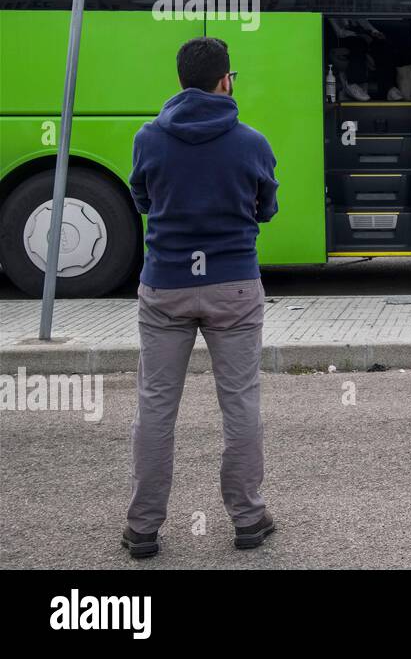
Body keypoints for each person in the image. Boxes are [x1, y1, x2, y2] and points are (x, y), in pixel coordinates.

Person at [122, 37, 279, 558]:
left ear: (180, 81)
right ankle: (248, 520)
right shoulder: (251, 142)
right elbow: (266, 208)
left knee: (156, 408)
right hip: (234, 286)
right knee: (240, 404)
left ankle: (143, 529)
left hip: (165, 286)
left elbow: (141, 198)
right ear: (225, 80)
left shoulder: (149, 138)